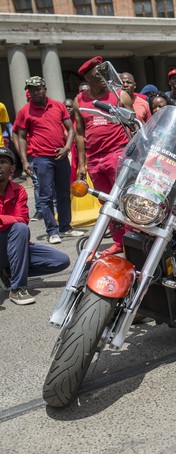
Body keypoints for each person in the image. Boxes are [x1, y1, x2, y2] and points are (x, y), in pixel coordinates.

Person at [74, 55, 132, 255]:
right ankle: (119, 241)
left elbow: (134, 126)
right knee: (106, 202)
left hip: (118, 153)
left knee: (124, 200)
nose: (100, 76)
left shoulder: (119, 95)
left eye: (102, 72)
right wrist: (82, 166)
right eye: (95, 74)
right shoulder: (79, 100)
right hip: (95, 159)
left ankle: (133, 239)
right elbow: (79, 134)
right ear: (87, 78)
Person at [14, 76, 83, 244]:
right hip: (41, 158)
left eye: (37, 89)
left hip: (60, 156)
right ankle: (52, 231)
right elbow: (21, 137)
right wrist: (24, 161)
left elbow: (70, 129)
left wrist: (67, 147)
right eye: (31, 90)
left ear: (44, 89)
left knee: (64, 193)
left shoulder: (58, 106)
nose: (35, 93)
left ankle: (65, 227)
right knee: (46, 196)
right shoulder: (25, 111)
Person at [0, 148, 70, 305]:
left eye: (3, 162)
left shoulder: (19, 191)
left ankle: (9, 272)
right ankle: (17, 289)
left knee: (60, 260)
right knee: (19, 228)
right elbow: (18, 222)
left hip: (14, 245)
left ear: (12, 169)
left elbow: (22, 219)